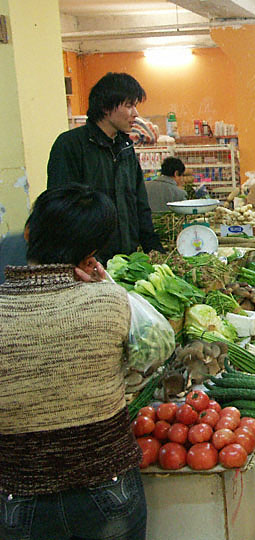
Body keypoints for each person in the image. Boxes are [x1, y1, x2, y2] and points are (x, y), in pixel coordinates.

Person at [0, 185, 146, 540]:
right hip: (107, 489)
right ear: (91, 254)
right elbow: (153, 353)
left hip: (20, 495)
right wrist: (103, 283)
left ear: (29, 234)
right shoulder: (110, 302)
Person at [47, 72, 163, 263]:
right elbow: (60, 209)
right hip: (87, 262)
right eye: (129, 105)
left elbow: (140, 204)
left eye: (135, 105)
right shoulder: (71, 145)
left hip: (125, 260)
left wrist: (154, 249)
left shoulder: (125, 148)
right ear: (105, 107)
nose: (135, 114)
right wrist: (80, 258)